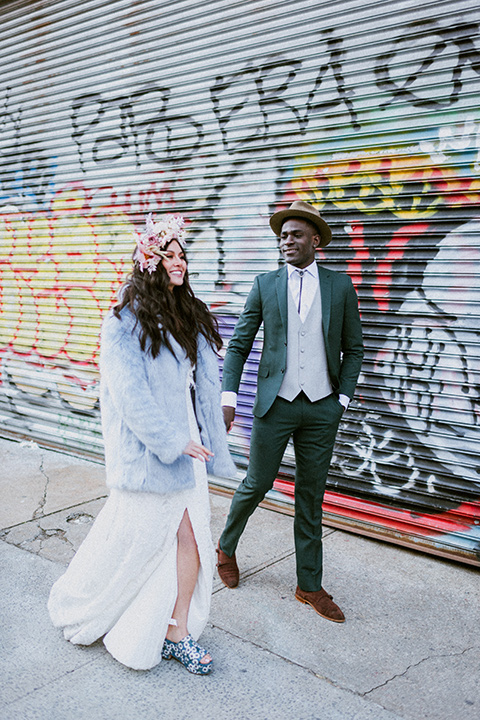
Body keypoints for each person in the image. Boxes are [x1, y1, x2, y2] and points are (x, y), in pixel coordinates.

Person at [48, 213, 236, 674]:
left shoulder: (188, 315)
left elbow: (202, 382)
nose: (179, 263)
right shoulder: (122, 323)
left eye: (182, 255)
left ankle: (175, 630)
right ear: (147, 262)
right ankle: (93, 605)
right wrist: (174, 441)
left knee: (188, 538)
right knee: (135, 542)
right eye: (168, 255)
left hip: (185, 447)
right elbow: (129, 398)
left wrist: (211, 426)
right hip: (152, 453)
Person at [217, 200, 363, 623]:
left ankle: (309, 585)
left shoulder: (340, 286)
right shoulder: (265, 284)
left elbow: (353, 349)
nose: (286, 241)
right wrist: (229, 398)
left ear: (315, 240)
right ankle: (226, 547)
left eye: (295, 234)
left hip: (321, 408)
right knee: (256, 483)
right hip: (275, 404)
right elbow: (239, 345)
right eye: (282, 235)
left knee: (310, 497)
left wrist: (342, 400)